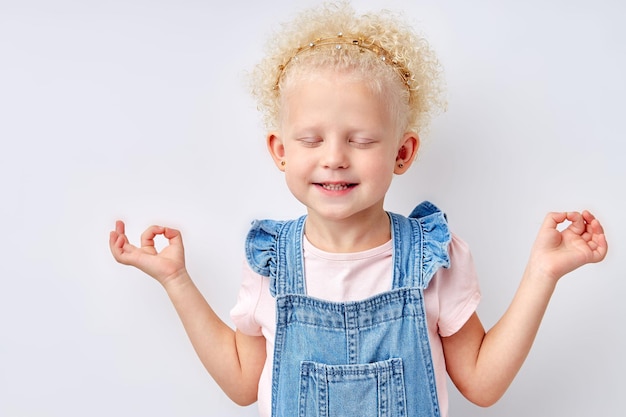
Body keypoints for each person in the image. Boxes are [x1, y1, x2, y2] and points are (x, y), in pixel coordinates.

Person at [109, 2, 608, 416]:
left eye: (360, 139)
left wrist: (543, 273)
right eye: (311, 139)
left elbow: (482, 383)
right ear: (280, 151)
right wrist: (176, 279)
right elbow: (243, 382)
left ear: (402, 153)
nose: (334, 157)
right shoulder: (270, 262)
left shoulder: (432, 257)